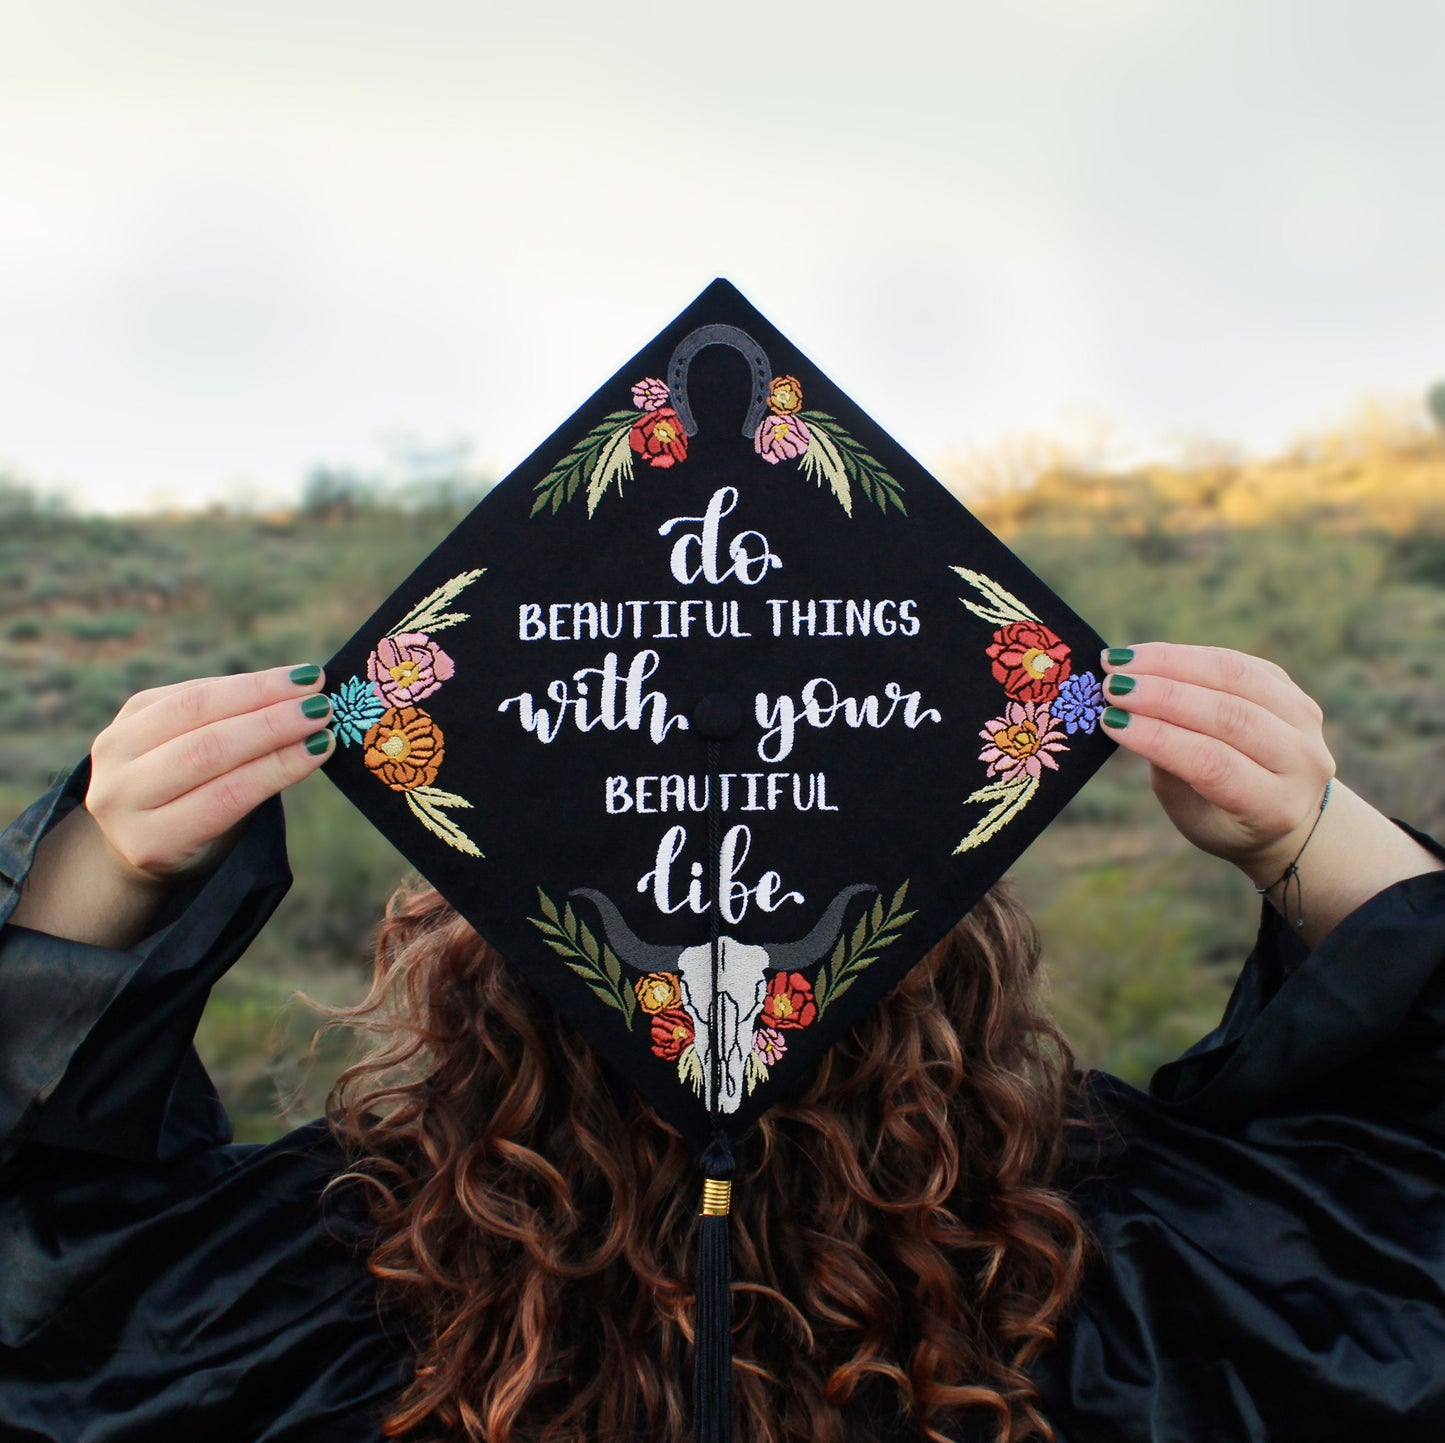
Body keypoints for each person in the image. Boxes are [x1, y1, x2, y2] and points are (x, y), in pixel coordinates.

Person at [1, 642, 1443, 1443]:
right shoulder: (1135, 1275)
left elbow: (46, 1264)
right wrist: (1313, 843)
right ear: (957, 930)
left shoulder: (302, 1284)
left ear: (465, 937)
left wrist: (101, 881)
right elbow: (1404, 1206)